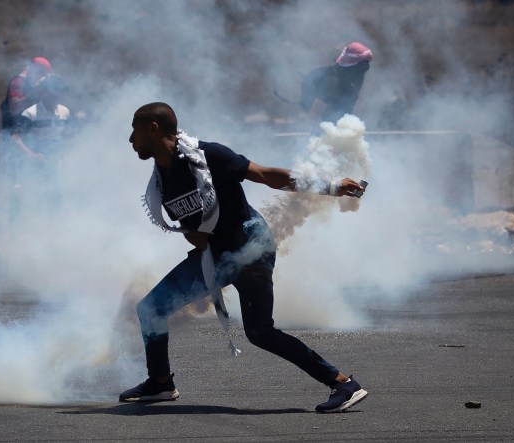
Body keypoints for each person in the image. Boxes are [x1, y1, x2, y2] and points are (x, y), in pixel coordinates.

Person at [120, 102, 368, 414]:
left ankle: (343, 383)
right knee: (152, 309)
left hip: (250, 248)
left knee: (260, 332)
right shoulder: (161, 182)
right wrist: (194, 238)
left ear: (153, 129)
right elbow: (192, 229)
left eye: (135, 130)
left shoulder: (209, 156)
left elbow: (265, 175)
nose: (131, 140)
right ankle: (160, 383)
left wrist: (329, 186)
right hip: (217, 256)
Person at [300, 42, 373, 129]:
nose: (364, 70)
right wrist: (317, 136)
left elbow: (350, 106)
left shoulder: (357, 77)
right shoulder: (331, 81)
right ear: (351, 67)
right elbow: (314, 114)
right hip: (322, 115)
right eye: (361, 66)